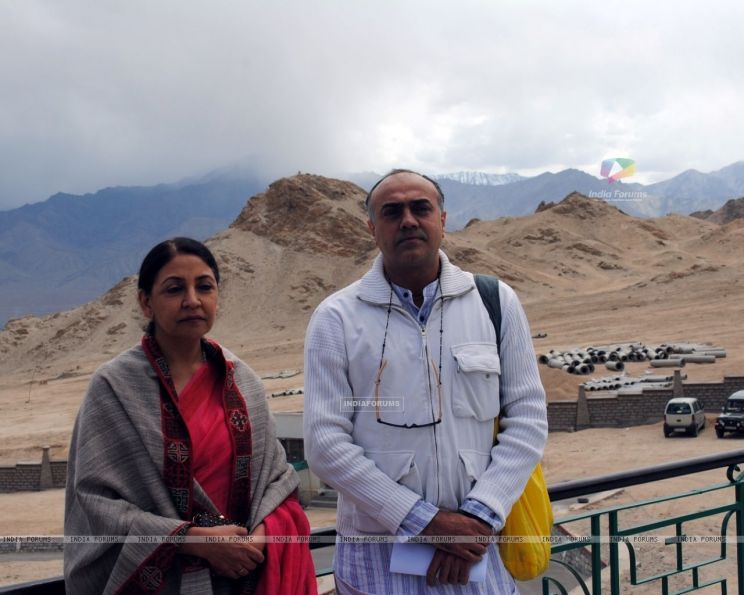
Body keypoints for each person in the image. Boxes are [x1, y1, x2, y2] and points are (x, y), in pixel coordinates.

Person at [303, 170, 548, 593]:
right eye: (391, 212)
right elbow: (325, 445)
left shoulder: (495, 303)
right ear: (372, 228)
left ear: (443, 219)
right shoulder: (336, 318)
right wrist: (425, 522)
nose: (408, 221)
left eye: (421, 208)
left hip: (476, 554)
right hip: (378, 564)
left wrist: (478, 517)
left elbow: (527, 419)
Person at [64, 237, 317, 595]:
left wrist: (256, 542)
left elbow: (278, 483)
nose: (192, 300)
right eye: (174, 289)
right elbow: (95, 501)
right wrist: (194, 541)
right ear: (145, 302)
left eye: (204, 287)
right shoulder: (114, 387)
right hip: (163, 581)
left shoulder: (243, 381)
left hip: (244, 575)